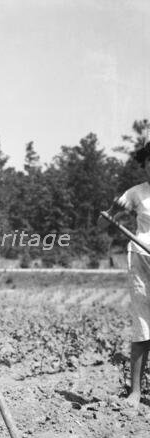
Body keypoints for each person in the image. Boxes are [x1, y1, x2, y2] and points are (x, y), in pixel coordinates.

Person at [98, 141, 150, 409]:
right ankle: (136, 392)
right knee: (143, 326)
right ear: (144, 165)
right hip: (142, 262)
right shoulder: (137, 193)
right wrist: (110, 213)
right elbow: (108, 216)